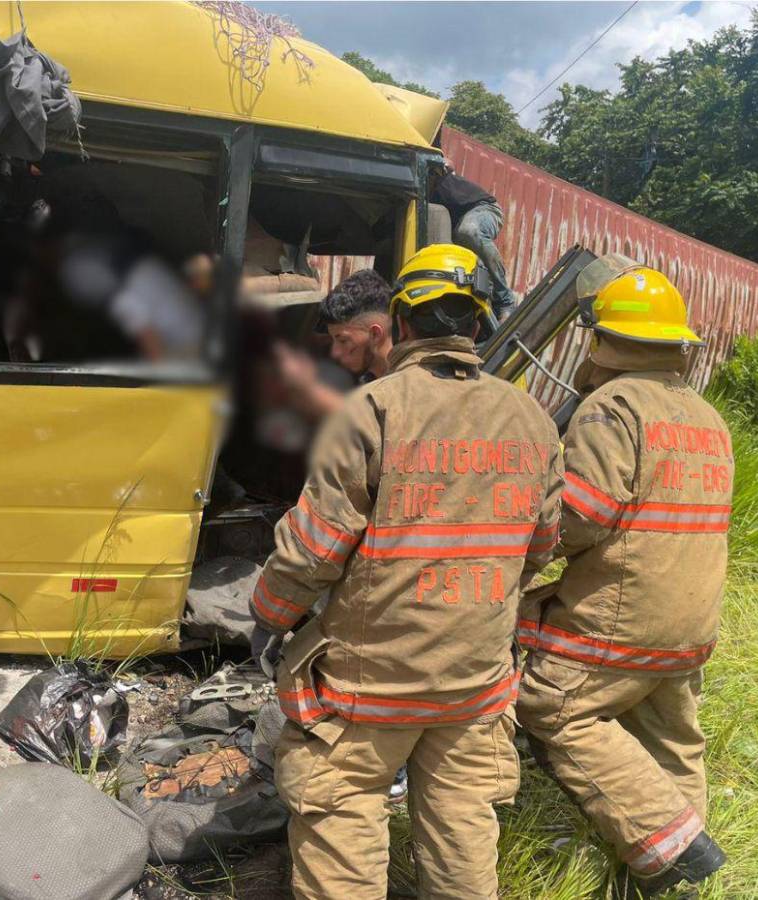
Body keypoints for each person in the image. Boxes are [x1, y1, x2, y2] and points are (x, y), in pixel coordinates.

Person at [249, 244, 563, 898]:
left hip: (373, 682)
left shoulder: (372, 409)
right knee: (462, 826)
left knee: (340, 808)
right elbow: (541, 546)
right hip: (476, 679)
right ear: (477, 326)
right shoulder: (531, 418)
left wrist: (271, 617)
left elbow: (314, 547)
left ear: (402, 323)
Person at [514, 264, 732, 898]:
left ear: (601, 337)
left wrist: (521, 552)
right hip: (692, 618)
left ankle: (675, 844)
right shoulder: (706, 416)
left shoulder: (613, 406)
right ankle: (672, 884)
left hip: (621, 617)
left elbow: (581, 515)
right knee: (671, 741)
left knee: (553, 708)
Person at [274, 268, 394, 419]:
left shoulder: (409, 388)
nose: (335, 352)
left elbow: (364, 423)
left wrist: (307, 389)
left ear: (375, 334)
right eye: (333, 340)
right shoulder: (367, 380)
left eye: (343, 340)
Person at [430, 163, 516, 319]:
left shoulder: (440, 177)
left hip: (484, 209)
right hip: (458, 226)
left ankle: (505, 301)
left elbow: (445, 161)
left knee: (469, 231)